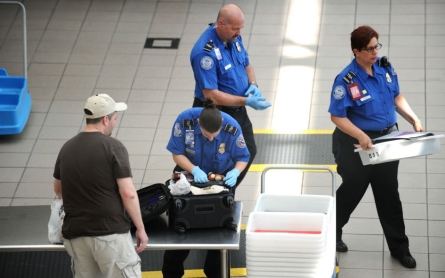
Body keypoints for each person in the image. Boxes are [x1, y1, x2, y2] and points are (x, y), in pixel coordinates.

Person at [328, 25, 424, 269]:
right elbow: (337, 116)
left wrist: (413, 118)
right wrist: (360, 134)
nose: (375, 53)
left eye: (376, 47)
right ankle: (331, 233)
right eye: (370, 49)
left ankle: (400, 248)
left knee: (389, 194)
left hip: (385, 142)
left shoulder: (384, 67)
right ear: (356, 51)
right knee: (352, 191)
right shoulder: (346, 80)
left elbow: (396, 96)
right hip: (355, 144)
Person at [53, 94, 149, 278]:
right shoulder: (113, 146)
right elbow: (128, 193)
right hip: (109, 234)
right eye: (114, 119)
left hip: (76, 235)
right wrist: (140, 228)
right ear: (105, 119)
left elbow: (58, 189)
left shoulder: (67, 147)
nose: (114, 123)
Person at [162, 98, 250, 278]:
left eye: (214, 136)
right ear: (199, 122)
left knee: (219, 231)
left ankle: (215, 272)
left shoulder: (231, 127)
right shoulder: (185, 121)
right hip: (188, 174)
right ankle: (172, 272)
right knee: (181, 227)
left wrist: (235, 172)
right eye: (206, 135)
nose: (210, 139)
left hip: (220, 178)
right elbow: (177, 153)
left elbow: (243, 157)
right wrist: (193, 169)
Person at [190, 3, 271, 189]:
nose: (239, 33)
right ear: (221, 24)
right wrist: (246, 101)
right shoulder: (204, 53)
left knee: (247, 150)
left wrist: (253, 85)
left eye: (240, 28)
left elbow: (246, 63)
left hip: (237, 109)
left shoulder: (232, 37)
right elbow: (211, 95)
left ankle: (225, 190)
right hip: (215, 111)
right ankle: (216, 191)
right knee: (214, 156)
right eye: (235, 29)